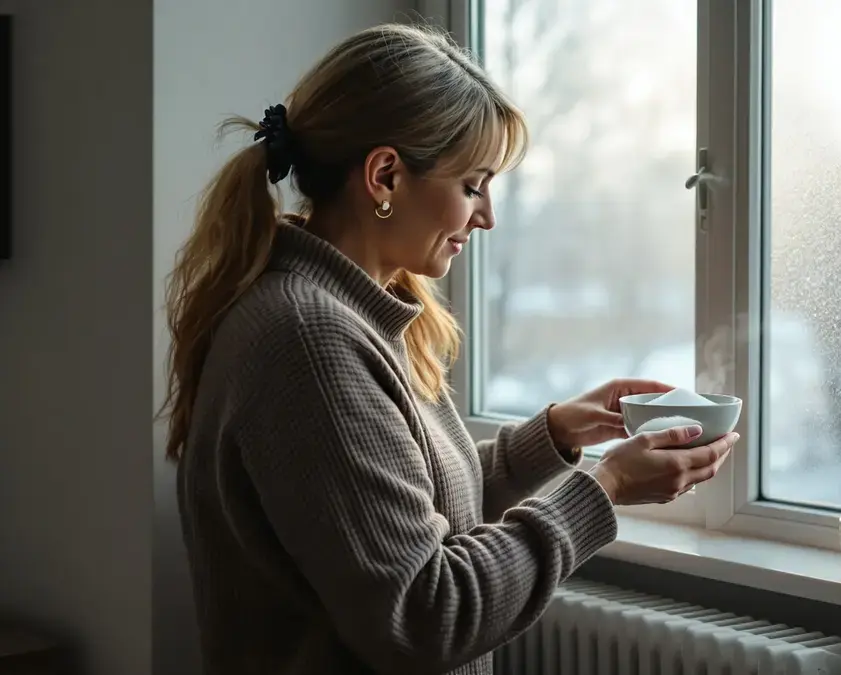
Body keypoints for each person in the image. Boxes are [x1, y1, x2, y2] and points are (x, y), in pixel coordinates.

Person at [160, 23, 739, 675]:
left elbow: (399, 512)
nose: (486, 215)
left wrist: (552, 436)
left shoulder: (332, 314)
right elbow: (425, 613)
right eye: (472, 185)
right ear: (384, 175)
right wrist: (602, 488)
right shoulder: (309, 339)